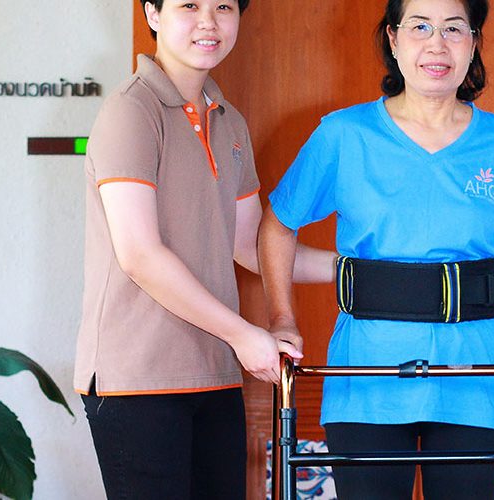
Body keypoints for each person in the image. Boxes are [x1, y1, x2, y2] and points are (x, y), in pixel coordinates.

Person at [258, 0, 494, 499]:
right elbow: (279, 225)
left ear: (473, 42)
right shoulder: (343, 135)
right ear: (393, 38)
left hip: (477, 373)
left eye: (453, 29)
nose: (437, 45)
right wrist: (282, 317)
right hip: (368, 373)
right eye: (420, 27)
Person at [73, 1, 331, 498]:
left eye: (223, 7)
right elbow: (139, 254)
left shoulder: (228, 121)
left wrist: (353, 269)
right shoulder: (131, 110)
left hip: (214, 373)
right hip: (138, 379)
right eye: (189, 5)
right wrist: (243, 335)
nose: (209, 21)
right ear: (153, 14)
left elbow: (252, 246)